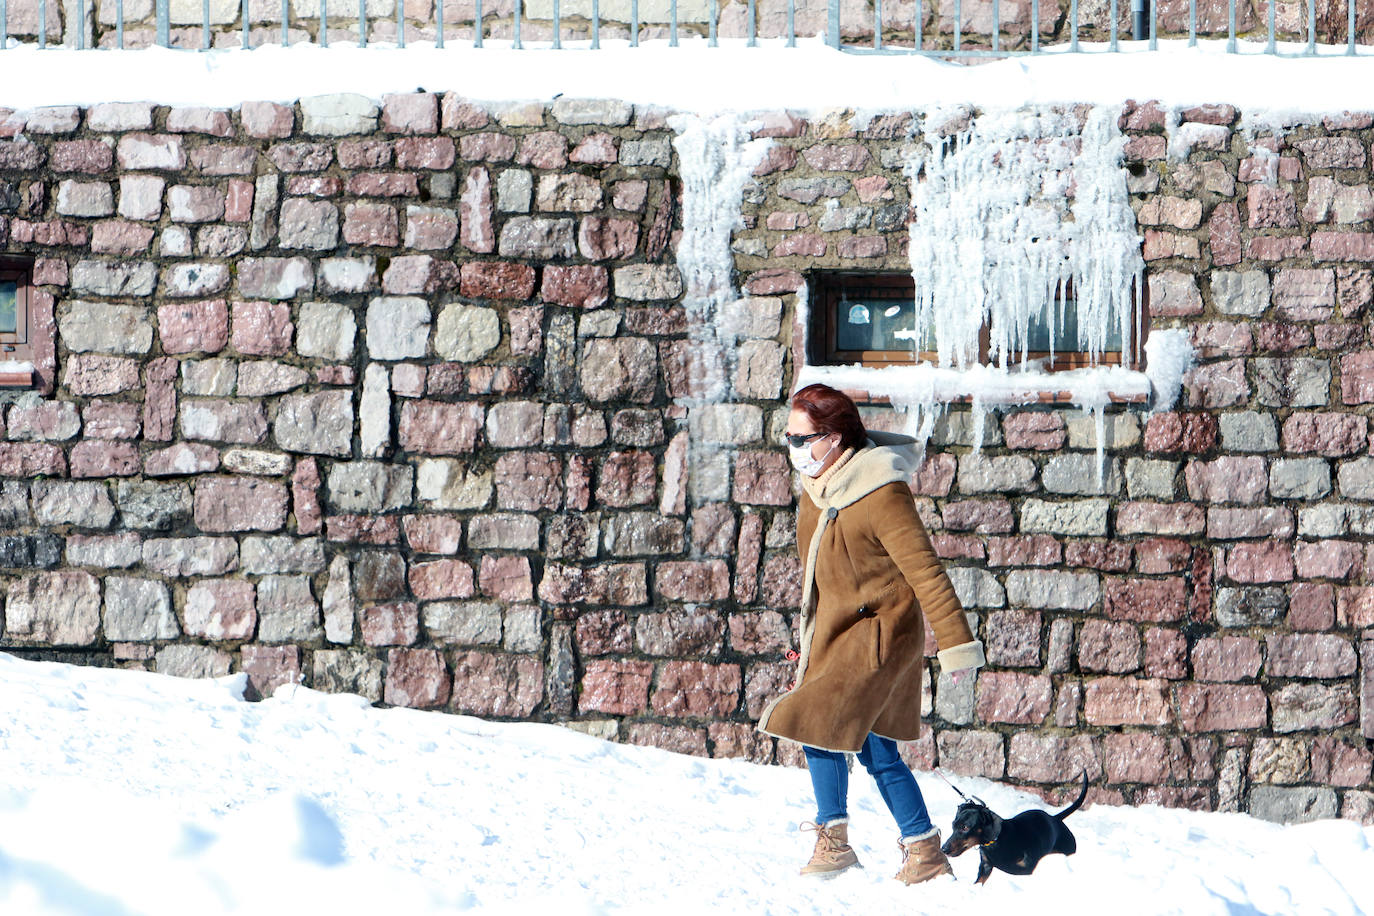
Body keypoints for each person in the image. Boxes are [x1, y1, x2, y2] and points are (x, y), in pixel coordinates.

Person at [756, 383, 985, 885]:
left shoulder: (881, 490)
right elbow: (817, 578)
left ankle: (839, 840)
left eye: (803, 439)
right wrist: (809, 640)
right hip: (839, 634)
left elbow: (926, 572)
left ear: (835, 437)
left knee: (815, 718)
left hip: (883, 633)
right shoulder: (816, 491)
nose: (794, 450)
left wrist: (955, 645)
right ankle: (920, 849)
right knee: (872, 747)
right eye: (788, 438)